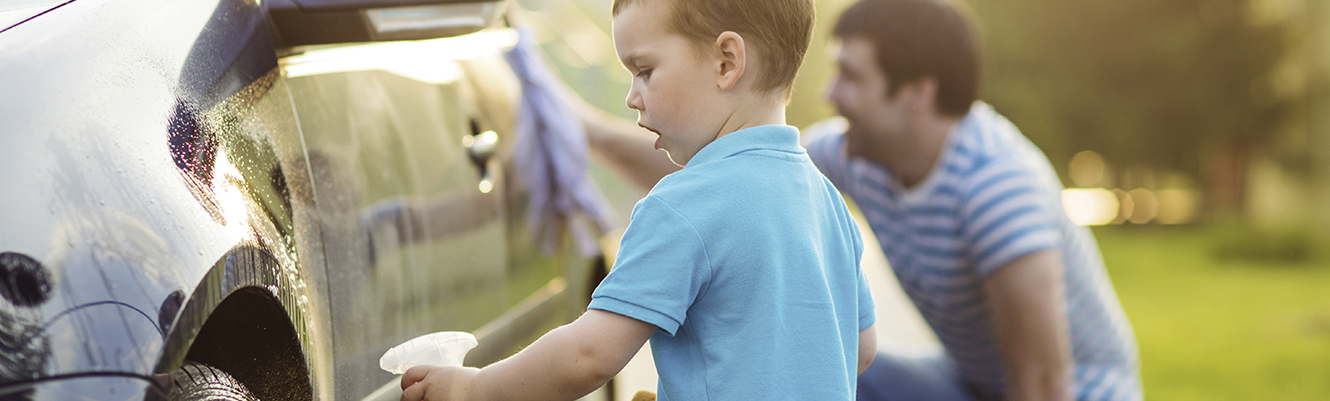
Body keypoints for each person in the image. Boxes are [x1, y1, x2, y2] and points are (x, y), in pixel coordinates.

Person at [579, 0, 1142, 400]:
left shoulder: (997, 188)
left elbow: (1044, 383)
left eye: (850, 75)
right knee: (821, 361)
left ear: (917, 93)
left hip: (1069, 390)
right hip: (970, 380)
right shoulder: (859, 152)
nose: (828, 92)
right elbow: (730, 172)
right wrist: (585, 131)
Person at [399, 0, 878, 399]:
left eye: (644, 71)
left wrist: (475, 387)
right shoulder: (826, 200)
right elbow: (861, 347)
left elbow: (588, 356)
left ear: (727, 62)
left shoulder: (686, 204)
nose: (632, 96)